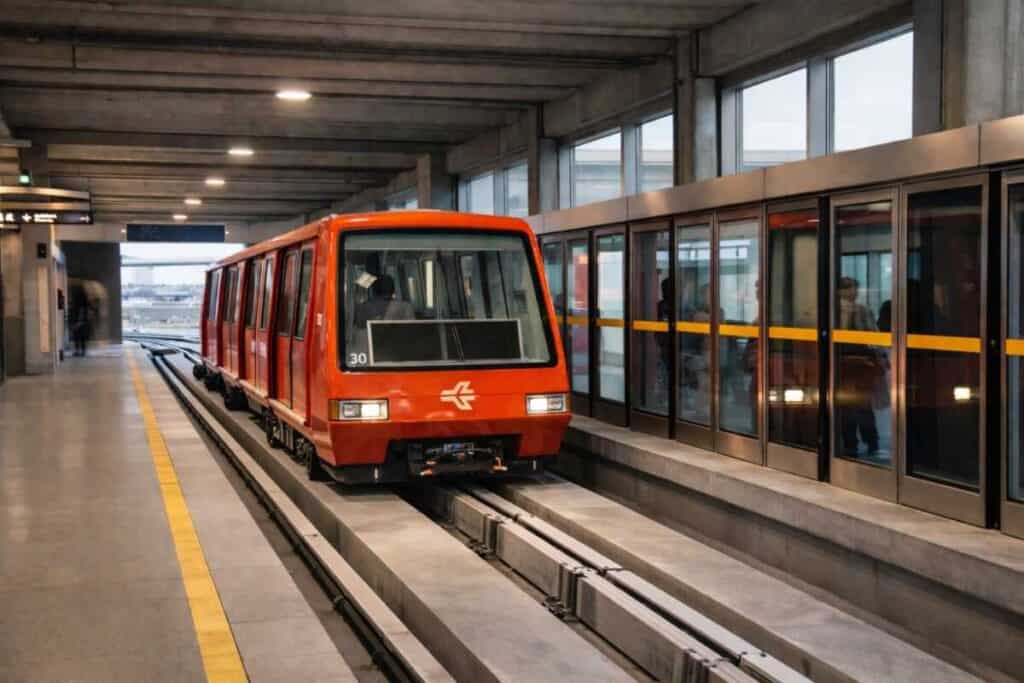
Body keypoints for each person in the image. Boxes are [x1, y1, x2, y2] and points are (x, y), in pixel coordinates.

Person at [837, 276, 885, 457]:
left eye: (854, 288)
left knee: (856, 405)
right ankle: (862, 442)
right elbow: (873, 335)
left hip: (855, 364)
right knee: (856, 405)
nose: (854, 291)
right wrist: (879, 355)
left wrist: (879, 355)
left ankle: (861, 442)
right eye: (849, 288)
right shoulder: (842, 311)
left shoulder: (861, 310)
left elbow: (873, 335)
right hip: (851, 363)